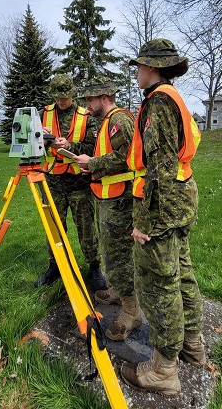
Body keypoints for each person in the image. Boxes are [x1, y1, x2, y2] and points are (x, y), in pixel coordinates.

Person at [120, 39, 206, 397]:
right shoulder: (174, 99)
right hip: (182, 200)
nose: (137, 72)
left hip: (164, 208)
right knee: (182, 272)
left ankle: (163, 369)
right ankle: (193, 345)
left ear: (153, 68)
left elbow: (160, 169)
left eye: (139, 66)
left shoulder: (158, 104)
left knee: (160, 284)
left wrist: (146, 222)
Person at [72, 79, 141, 341]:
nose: (87, 105)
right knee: (111, 253)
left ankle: (131, 312)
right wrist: (91, 165)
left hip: (119, 201)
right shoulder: (108, 121)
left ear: (104, 97)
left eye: (90, 99)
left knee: (118, 257)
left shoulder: (117, 120)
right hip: (108, 197)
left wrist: (93, 162)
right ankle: (117, 291)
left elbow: (127, 157)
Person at [34, 74, 106, 292]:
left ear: (72, 93)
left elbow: (94, 150)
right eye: (57, 98)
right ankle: (55, 266)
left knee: (86, 227)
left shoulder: (86, 116)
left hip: (78, 182)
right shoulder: (42, 114)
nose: (60, 102)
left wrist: (70, 145)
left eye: (64, 98)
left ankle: (94, 267)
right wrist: (40, 137)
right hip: (52, 182)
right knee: (54, 227)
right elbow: (31, 146)